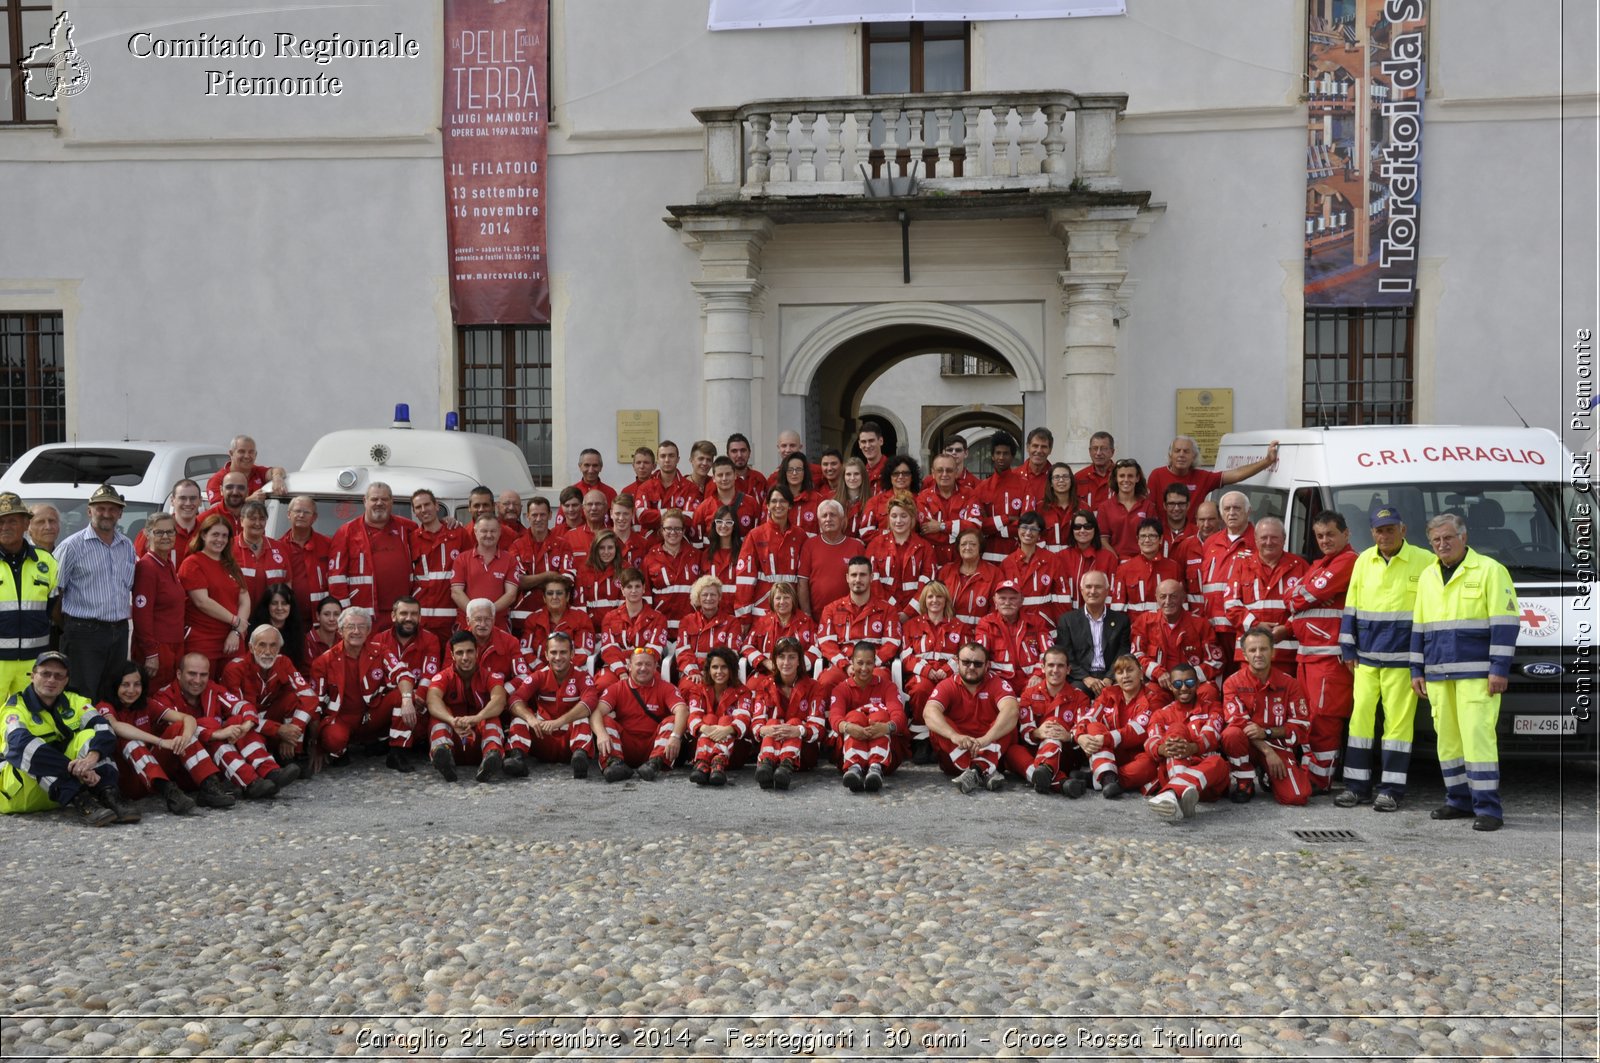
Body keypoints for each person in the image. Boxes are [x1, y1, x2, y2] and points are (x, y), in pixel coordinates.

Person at [1411, 512, 1518, 831]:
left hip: (1478, 675)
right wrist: (1417, 667)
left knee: (1477, 740)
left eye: (1448, 538)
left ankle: (1488, 809)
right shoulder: (1429, 575)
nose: (1442, 544)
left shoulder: (1490, 570)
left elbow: (1506, 624)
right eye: (1436, 540)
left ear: (1464, 537)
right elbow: (1419, 625)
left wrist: (1499, 669)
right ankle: (1458, 800)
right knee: (1448, 741)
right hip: (1438, 674)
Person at [1336, 503, 1433, 812]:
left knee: (1397, 730)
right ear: (1372, 533)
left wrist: (1422, 660)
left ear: (1402, 530)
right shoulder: (1364, 560)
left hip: (1403, 661)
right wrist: (1348, 648)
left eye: (1390, 529)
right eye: (1379, 530)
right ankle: (1355, 787)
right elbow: (1351, 606)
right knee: (1360, 722)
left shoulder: (1425, 561)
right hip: (1365, 660)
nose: (1385, 535)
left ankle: (1391, 790)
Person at [0, 651, 139, 824]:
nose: (51, 680)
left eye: (58, 676)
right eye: (45, 674)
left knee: (92, 736)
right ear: (33, 676)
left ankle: (109, 795)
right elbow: (20, 747)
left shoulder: (75, 701)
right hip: (22, 794)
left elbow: (105, 729)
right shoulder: (14, 708)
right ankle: (84, 802)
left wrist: (91, 758)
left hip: (60, 790)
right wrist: (71, 768)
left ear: (66, 681)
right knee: (35, 752)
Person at [150, 652, 290, 799]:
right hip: (179, 766)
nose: (197, 680)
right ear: (179, 674)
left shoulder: (212, 689)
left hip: (213, 763)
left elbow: (241, 705)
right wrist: (215, 734)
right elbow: (178, 729)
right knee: (209, 725)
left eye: (203, 675)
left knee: (237, 720)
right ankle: (248, 782)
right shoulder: (164, 697)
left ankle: (269, 772)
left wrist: (246, 725)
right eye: (192, 674)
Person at [1287, 511, 1358, 794]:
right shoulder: (1321, 564)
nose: (1325, 540)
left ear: (1346, 534)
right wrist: (1304, 594)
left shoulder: (1347, 561)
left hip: (1329, 657)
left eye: (1330, 534)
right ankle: (1313, 774)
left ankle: (1320, 780)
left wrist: (1302, 594)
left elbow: (1298, 596)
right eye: (1319, 535)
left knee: (1324, 718)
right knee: (1309, 717)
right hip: (1309, 655)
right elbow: (1294, 598)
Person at [99, 660, 218, 814]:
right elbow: (116, 727)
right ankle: (169, 792)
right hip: (127, 779)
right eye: (125, 685)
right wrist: (161, 742)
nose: (132, 690)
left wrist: (184, 738)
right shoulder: (104, 706)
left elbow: (188, 719)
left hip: (151, 775)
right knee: (128, 739)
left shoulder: (146, 704)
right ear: (114, 685)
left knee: (179, 728)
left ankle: (208, 784)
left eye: (137, 684)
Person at [52, 484, 137, 699]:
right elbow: (55, 595)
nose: (106, 514)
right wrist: (72, 627)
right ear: (89, 511)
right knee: (82, 694)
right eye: (100, 508)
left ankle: (104, 733)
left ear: (120, 513)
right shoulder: (71, 546)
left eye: (112, 509)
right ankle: (82, 733)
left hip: (118, 631)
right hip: (83, 632)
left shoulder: (127, 545)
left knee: (111, 692)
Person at [309, 607, 416, 772]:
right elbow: (315, 705)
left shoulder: (380, 650)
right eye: (350, 627)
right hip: (342, 719)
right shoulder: (323, 661)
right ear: (340, 631)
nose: (356, 631)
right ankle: (341, 753)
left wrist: (408, 700)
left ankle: (397, 753)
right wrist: (316, 746)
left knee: (401, 695)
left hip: (372, 715)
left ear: (368, 631)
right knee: (333, 739)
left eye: (361, 627)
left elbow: (403, 674)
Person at [1219, 627, 1311, 805]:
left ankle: (1267, 775)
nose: (1258, 654)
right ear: (1245, 655)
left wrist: (1267, 733)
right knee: (1231, 734)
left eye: (1263, 649)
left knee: (1297, 797)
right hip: (1248, 745)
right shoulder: (1232, 682)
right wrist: (1267, 751)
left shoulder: (1290, 684)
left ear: (1273, 651)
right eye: (1252, 650)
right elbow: (1238, 721)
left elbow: (1301, 726)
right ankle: (1244, 781)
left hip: (1278, 745)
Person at [921, 641, 1020, 793]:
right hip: (956, 754)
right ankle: (984, 771)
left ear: (987, 665)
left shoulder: (997, 683)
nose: (971, 667)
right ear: (957, 662)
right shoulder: (947, 684)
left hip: (988, 747)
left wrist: (985, 739)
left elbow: (1011, 710)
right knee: (939, 724)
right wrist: (955, 736)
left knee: (1007, 724)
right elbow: (929, 712)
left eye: (977, 664)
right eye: (966, 662)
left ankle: (976, 771)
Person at [1142, 661, 1230, 821]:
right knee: (1176, 730)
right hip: (1172, 771)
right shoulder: (1161, 714)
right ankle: (1181, 795)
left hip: (1208, 779)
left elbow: (1212, 736)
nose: (1183, 688)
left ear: (1197, 684)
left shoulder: (1213, 707)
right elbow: (1150, 741)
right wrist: (1163, 749)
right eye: (1177, 683)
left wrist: (1193, 747)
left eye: (1189, 682)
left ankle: (1173, 794)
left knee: (1218, 762)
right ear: (1170, 686)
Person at [220, 625, 317, 770]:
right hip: (246, 723)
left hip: (272, 720)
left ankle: (293, 752)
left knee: (293, 698)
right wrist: (279, 730)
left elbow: (309, 696)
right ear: (251, 648)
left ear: (279, 649)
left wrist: (290, 733)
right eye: (262, 645)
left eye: (273, 646)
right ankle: (263, 765)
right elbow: (237, 715)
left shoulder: (283, 662)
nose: (267, 651)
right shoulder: (235, 669)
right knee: (239, 721)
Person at [505, 631, 598, 778]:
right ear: (546, 655)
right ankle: (517, 759)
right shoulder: (539, 675)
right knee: (519, 718)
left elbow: (590, 702)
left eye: (563, 652)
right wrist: (531, 719)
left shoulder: (582, 676)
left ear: (572, 654)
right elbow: (514, 699)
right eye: (553, 652)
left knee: (583, 719)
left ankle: (580, 759)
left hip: (569, 739)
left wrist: (558, 722)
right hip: (543, 735)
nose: (558, 657)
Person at [591, 646, 689, 782]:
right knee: (605, 720)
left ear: (655, 667)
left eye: (648, 664)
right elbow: (596, 712)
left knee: (672, 720)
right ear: (629, 666)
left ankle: (655, 764)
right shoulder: (617, 687)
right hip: (625, 746)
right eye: (639, 664)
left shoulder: (666, 687)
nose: (643, 668)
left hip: (653, 745)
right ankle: (614, 763)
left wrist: (676, 737)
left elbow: (682, 710)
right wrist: (601, 734)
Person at [422, 631, 509, 783]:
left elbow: (499, 700)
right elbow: (432, 700)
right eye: (459, 653)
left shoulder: (491, 676)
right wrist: (451, 720)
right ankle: (442, 755)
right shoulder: (443, 677)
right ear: (452, 655)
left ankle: (492, 756)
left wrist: (477, 718)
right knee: (438, 716)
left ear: (477, 652)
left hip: (480, 741)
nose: (465, 657)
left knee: (491, 715)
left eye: (469, 651)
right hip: (453, 739)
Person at [1072, 653, 1163, 799]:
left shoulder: (1153, 697)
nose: (1125, 676)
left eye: (1130, 670)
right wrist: (1080, 736)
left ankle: (1097, 779)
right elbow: (1089, 717)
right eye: (1120, 672)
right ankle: (1108, 778)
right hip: (1110, 752)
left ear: (1140, 673)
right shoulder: (1108, 693)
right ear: (1116, 677)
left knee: (1149, 765)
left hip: (1137, 754)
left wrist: (1107, 739)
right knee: (1094, 726)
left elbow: (1139, 731)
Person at [327, 482, 415, 632]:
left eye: (384, 499)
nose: (379, 503)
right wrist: (347, 614)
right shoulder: (347, 532)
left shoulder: (407, 528)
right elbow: (336, 578)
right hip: (364, 615)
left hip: (402, 615)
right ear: (365, 501)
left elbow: (431, 534)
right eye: (374, 499)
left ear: (391, 501)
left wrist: (447, 522)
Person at [1224, 516, 1308, 668]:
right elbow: (1231, 606)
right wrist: (1256, 625)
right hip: (1250, 654)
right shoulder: (1241, 566)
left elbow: (1307, 607)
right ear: (1255, 539)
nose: (1269, 542)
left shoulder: (1300, 567)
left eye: (1274, 537)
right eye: (1264, 537)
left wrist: (1287, 629)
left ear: (1284, 539)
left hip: (1287, 655)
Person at [815, 557, 902, 698]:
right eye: (854, 575)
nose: (858, 579)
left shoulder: (887, 610)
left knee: (883, 680)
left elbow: (891, 644)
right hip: (842, 666)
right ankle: (830, 719)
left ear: (871, 577)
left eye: (863, 575)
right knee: (826, 681)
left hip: (874, 667)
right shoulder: (831, 609)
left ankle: (878, 717)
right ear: (847, 578)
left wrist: (868, 665)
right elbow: (826, 644)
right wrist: (846, 665)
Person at [0, 492, 58, 702]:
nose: (5, 527)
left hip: (34, 662)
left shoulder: (46, 562)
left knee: (28, 718)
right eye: (1, 521)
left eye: (12, 521)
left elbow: (52, 608)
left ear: (26, 523)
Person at [827, 640, 907, 793]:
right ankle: (854, 768)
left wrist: (886, 727)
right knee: (854, 717)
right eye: (860, 663)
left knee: (880, 715)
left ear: (875, 663)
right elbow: (835, 718)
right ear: (852, 663)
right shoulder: (841, 689)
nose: (864, 668)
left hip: (885, 755)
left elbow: (899, 716)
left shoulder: (888, 686)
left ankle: (876, 768)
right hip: (847, 752)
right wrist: (849, 727)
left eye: (869, 663)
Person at [748, 636, 826, 789]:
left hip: (804, 754)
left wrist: (799, 731)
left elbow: (819, 729)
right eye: (781, 657)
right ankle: (767, 765)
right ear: (775, 660)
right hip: (770, 747)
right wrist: (765, 729)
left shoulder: (814, 687)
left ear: (799, 661)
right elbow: (756, 723)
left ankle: (787, 764)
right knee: (772, 722)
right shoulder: (764, 686)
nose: (786, 662)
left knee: (795, 722)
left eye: (792, 657)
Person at [1014, 645, 1091, 796]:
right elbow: (1025, 732)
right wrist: (1037, 732)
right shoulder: (1028, 694)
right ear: (1042, 668)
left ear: (1068, 669)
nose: (1055, 670)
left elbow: (1083, 731)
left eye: (1060, 666)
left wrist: (1068, 737)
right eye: (1051, 665)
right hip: (1035, 752)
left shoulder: (1080, 697)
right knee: (1013, 751)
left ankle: (1048, 772)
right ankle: (1062, 783)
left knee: (1053, 722)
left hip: (1065, 755)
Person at [179, 513, 250, 675]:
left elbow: (244, 599)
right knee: (201, 687)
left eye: (224, 535)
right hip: (203, 639)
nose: (220, 540)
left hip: (233, 638)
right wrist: (236, 621)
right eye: (215, 534)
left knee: (233, 686)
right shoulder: (192, 563)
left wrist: (236, 631)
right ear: (203, 535)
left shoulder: (231, 564)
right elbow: (202, 602)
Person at [900, 581, 967, 751]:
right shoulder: (910, 625)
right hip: (922, 675)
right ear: (924, 600)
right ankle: (922, 739)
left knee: (953, 691)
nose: (934, 600)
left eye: (939, 596)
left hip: (949, 675)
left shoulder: (960, 626)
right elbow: (905, 655)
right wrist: (926, 670)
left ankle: (944, 738)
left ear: (946, 600)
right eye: (930, 596)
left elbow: (966, 654)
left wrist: (947, 670)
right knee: (921, 689)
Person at [1131, 579, 1223, 691]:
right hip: (1160, 683)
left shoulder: (1200, 624)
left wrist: (1189, 677)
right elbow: (1136, 655)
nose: (1168, 601)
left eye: (1173, 596)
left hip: (1192, 685)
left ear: (1183, 598)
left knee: (1209, 692)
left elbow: (1216, 661)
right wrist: (1157, 672)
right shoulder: (1145, 621)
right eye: (1163, 597)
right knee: (1150, 698)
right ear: (1156, 598)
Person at [1199, 490, 1257, 667]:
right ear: (1222, 514)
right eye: (1227, 508)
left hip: (1241, 625)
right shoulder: (1211, 542)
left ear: (1248, 511)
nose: (1232, 512)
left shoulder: (1257, 542)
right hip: (1213, 625)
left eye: (1237, 508)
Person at [1146, 435, 1280, 511]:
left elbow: (1237, 474)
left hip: (1192, 539)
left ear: (1194, 456)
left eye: (1186, 451)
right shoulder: (1156, 475)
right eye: (1177, 451)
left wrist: (1267, 461)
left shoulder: (1202, 477)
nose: (1181, 455)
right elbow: (1149, 509)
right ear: (1170, 454)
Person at [131, 512, 187, 687]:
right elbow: (142, 614)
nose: (165, 537)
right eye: (159, 532)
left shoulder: (168, 563)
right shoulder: (147, 567)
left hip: (173, 645)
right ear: (147, 534)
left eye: (170, 532)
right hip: (157, 648)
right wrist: (151, 653)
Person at [735, 484, 807, 618]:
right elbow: (745, 577)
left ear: (790, 505)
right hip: (762, 612)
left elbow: (805, 577)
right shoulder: (756, 535)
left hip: (791, 611)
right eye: (774, 501)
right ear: (767, 505)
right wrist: (744, 616)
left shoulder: (800, 536)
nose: (778, 505)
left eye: (783, 501)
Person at [1055, 569, 1131, 695]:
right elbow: (1066, 655)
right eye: (1088, 587)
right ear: (1081, 590)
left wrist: (1109, 678)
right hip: (1080, 678)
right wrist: (1086, 678)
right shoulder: (1067, 620)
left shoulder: (1121, 620)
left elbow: (1122, 652)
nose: (1093, 591)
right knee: (1075, 697)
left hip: (1112, 677)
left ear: (1107, 591)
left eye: (1098, 587)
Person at [685, 647, 753, 786]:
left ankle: (718, 762)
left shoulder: (743, 691)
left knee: (726, 720)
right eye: (715, 667)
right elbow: (693, 717)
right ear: (708, 670)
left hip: (733, 752)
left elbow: (743, 720)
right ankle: (702, 763)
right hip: (701, 745)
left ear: (732, 670)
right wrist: (705, 727)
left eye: (724, 667)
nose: (719, 672)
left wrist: (726, 729)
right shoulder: (698, 689)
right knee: (709, 719)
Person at [599, 568, 672, 689]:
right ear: (622, 590)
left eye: (637, 586)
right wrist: (622, 671)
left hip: (645, 668)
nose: (633, 591)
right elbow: (609, 649)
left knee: (654, 686)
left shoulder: (658, 618)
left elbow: (653, 651)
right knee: (603, 684)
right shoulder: (610, 617)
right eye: (629, 587)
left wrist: (634, 668)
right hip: (616, 667)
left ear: (643, 589)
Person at [973, 580, 1053, 690]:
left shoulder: (1036, 622)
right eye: (1002, 598)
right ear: (995, 601)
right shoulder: (986, 623)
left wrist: (1039, 674)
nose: (1007, 602)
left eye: (1013, 598)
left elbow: (1049, 652)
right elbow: (980, 654)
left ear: (1021, 601)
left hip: (1032, 680)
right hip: (998, 681)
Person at [865, 495, 937, 615]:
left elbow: (928, 585)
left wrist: (908, 613)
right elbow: (872, 582)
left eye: (904, 516)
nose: (898, 521)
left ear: (912, 518)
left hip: (916, 614)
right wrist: (893, 609)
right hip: (883, 613)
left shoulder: (925, 547)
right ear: (889, 518)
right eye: (894, 516)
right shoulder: (875, 545)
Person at [409, 488, 463, 644]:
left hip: (451, 619)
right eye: (418, 507)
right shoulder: (411, 539)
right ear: (414, 511)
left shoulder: (458, 534)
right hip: (423, 620)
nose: (423, 510)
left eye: (427, 504)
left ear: (437, 506)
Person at [450, 515, 521, 631]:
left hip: (498, 625)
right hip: (467, 625)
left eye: (493, 531)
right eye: (484, 531)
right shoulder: (462, 559)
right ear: (475, 532)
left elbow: (511, 595)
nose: (489, 535)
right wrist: (475, 614)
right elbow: (456, 592)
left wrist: (488, 612)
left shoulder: (509, 560)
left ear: (499, 533)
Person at [797, 499, 863, 618]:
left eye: (833, 515)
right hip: (817, 618)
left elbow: (864, 582)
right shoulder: (809, 545)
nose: (828, 519)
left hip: (850, 617)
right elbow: (803, 583)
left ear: (843, 520)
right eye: (824, 516)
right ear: (819, 521)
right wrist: (807, 614)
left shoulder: (856, 546)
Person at [642, 509, 702, 640]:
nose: (673, 533)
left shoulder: (696, 555)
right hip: (660, 626)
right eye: (668, 528)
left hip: (690, 627)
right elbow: (646, 595)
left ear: (684, 530)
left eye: (677, 529)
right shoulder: (650, 558)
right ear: (662, 530)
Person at [673, 574, 743, 687]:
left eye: (713, 594)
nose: (709, 598)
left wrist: (711, 670)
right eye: (705, 595)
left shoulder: (732, 622)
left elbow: (731, 654)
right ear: (698, 598)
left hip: (720, 673)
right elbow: (683, 652)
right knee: (688, 687)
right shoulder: (687, 621)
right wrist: (693, 671)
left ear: (719, 597)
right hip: (693, 673)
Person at [998, 511, 1064, 627]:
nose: (1028, 532)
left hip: (1045, 624)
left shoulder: (1052, 560)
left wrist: (1062, 626)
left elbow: (1062, 598)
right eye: (1024, 527)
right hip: (1015, 624)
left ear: (1040, 535)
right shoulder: (1007, 563)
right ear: (1018, 530)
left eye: (1033, 529)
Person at [520, 577, 597, 673]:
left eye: (559, 593)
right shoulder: (532, 619)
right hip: (539, 673)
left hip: (572, 673)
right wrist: (543, 670)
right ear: (544, 598)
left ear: (567, 596)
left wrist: (561, 671)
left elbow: (583, 651)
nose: (554, 597)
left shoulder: (581, 618)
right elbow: (525, 651)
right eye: (550, 593)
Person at [741, 580, 816, 676]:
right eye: (778, 598)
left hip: (797, 674)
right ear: (772, 601)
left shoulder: (806, 622)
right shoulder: (762, 622)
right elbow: (746, 646)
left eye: (786, 598)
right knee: (750, 687)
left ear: (793, 600)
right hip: (767, 673)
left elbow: (817, 648)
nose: (782, 602)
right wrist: (765, 662)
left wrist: (797, 666)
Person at [1113, 518, 1184, 615]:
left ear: (1161, 539)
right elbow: (1117, 608)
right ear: (1137, 540)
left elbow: (1181, 604)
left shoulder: (1173, 567)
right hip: (1135, 627)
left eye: (1152, 536)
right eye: (1143, 536)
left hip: (1166, 626)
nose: (1147, 540)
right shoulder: (1124, 569)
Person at [277, 495, 332, 619]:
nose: (301, 515)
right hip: (288, 617)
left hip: (321, 617)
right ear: (288, 514)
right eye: (297, 511)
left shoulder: (328, 545)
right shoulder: (277, 548)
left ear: (314, 518)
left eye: (306, 512)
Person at [936, 526, 1000, 628]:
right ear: (958, 548)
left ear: (980, 547)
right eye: (963, 544)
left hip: (980, 633)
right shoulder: (946, 571)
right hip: (948, 633)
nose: (967, 547)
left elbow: (996, 608)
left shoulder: (994, 573)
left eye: (973, 544)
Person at [916, 452, 971, 567]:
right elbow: (927, 532)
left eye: (949, 470)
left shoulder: (969, 495)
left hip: (962, 561)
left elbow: (974, 527)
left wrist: (941, 526)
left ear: (956, 472)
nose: (944, 474)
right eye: (940, 470)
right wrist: (958, 532)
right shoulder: (923, 498)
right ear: (933, 473)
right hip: (932, 561)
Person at [691, 457, 762, 546]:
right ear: (713, 478)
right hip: (713, 558)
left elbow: (759, 537)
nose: (724, 478)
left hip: (743, 557)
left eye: (728, 474)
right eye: (720, 475)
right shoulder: (703, 508)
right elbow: (697, 544)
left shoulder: (751, 503)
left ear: (735, 475)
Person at [1057, 510, 1119, 611]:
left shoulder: (1109, 558)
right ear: (1072, 531)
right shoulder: (1061, 557)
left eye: (1087, 526)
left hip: (1100, 617)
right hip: (1070, 618)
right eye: (1077, 527)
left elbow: (1112, 593)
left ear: (1095, 529)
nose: (1082, 530)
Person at [233, 501, 290, 609]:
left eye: (262, 519)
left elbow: (287, 582)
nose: (258, 523)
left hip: (271, 617)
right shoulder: (229, 548)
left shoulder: (279, 547)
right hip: (238, 617)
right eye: (252, 519)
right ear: (241, 521)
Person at [1096, 459, 1157, 558]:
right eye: (1121, 476)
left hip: (1142, 562)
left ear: (1137, 478)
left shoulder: (1148, 506)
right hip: (1116, 562)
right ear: (1116, 478)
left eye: (1130, 476)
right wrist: (1116, 560)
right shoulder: (1104, 507)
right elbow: (1103, 540)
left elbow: (1153, 537)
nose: (1126, 480)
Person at [204, 435, 284, 503]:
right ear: (231, 454)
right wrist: (249, 500)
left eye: (251, 452)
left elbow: (277, 469)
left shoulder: (257, 471)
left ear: (255, 454)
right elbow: (216, 509)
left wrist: (277, 478)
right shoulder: (217, 480)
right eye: (241, 451)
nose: (247, 456)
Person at [248, 582, 310, 672]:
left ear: (291, 606)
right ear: (267, 606)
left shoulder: (297, 632)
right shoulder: (255, 631)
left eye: (284, 603)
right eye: (274, 603)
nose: (279, 608)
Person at [863, 454, 922, 535]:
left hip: (913, 546)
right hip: (883, 546)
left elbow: (927, 531)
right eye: (896, 473)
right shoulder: (875, 501)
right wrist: (892, 535)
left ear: (912, 477)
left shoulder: (921, 500)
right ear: (889, 477)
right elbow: (865, 532)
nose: (900, 476)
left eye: (905, 473)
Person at [573, 531, 625, 616]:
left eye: (610, 547)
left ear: (616, 549)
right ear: (595, 549)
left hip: (617, 626)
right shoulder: (583, 571)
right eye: (602, 548)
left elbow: (627, 605)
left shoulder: (625, 569)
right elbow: (579, 607)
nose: (606, 552)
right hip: (590, 626)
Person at [774, 451, 821, 535]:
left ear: (805, 472)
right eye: (790, 469)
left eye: (798, 469)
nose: (794, 473)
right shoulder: (774, 500)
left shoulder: (818, 500)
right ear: (784, 472)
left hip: (809, 547)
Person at [1036, 462, 1078, 552]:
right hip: (1048, 561)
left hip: (1074, 561)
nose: (1061, 480)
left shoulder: (1083, 507)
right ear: (1050, 483)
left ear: (1071, 481)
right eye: (1056, 477)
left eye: (1065, 477)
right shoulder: (1040, 508)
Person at [701, 505, 744, 589]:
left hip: (735, 602)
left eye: (728, 522)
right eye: (719, 521)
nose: (723, 526)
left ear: (734, 526)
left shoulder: (743, 553)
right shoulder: (706, 555)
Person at [1073, 431, 1116, 510]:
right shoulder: (1079, 477)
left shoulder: (1121, 476)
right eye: (1095, 448)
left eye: (1103, 449)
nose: (1098, 453)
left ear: (1112, 452)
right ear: (1090, 451)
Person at [200, 470, 249, 535]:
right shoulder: (204, 519)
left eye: (241, 488)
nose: (235, 492)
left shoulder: (256, 519)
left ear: (247, 492)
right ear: (221, 490)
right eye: (229, 487)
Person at [835, 457, 874, 539]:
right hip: (839, 548)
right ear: (843, 477)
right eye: (848, 474)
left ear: (863, 476)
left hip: (862, 549)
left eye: (856, 474)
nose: (852, 478)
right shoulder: (834, 501)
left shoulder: (872, 502)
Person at [306, 596, 342, 667]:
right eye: (326, 614)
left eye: (336, 614)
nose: (332, 619)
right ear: (318, 616)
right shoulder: (307, 642)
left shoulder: (344, 640)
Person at [854, 421, 888, 485]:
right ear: (859, 444)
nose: (867, 446)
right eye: (863, 442)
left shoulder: (892, 471)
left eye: (871, 441)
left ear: (881, 441)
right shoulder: (860, 473)